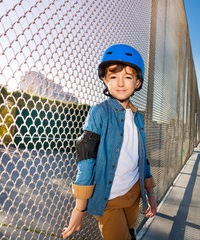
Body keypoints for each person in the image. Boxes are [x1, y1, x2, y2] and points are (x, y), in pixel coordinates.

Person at [62, 44, 157, 239]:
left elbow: (143, 156)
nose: (120, 83)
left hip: (134, 193)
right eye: (113, 77)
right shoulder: (99, 112)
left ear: (138, 82)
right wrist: (79, 208)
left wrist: (150, 193)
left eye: (128, 77)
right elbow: (86, 157)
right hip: (109, 199)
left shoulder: (138, 117)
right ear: (105, 80)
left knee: (131, 233)